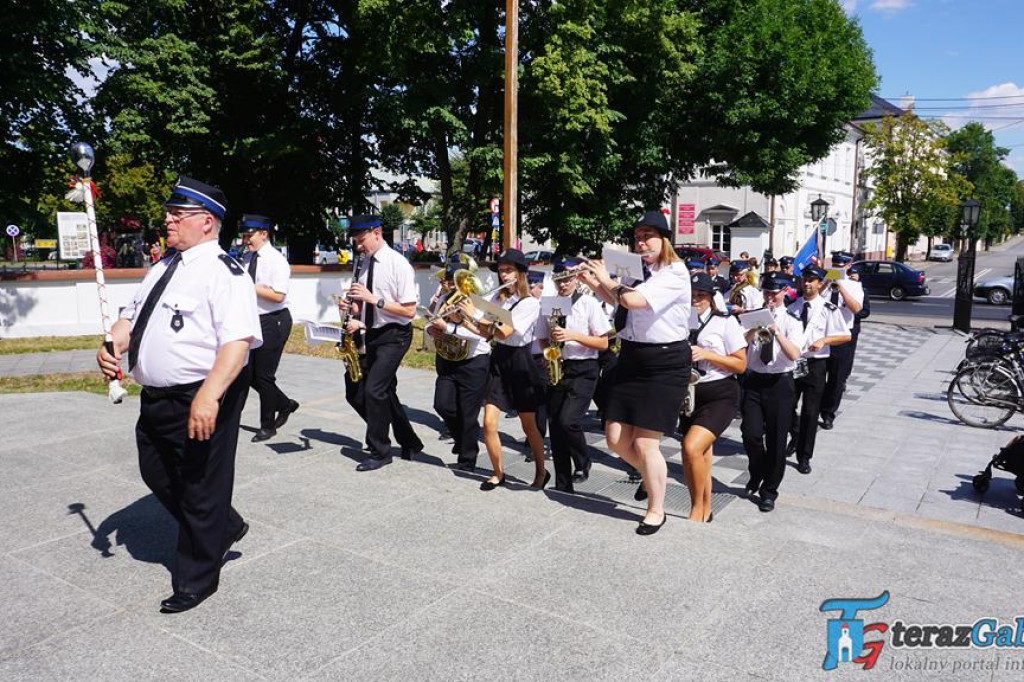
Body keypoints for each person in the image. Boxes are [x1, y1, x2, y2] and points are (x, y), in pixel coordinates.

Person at [96, 176, 261, 613]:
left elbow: (237, 343)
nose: (166, 220)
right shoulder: (162, 267)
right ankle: (223, 525)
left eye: (177, 214)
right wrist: (112, 345)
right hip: (157, 395)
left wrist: (208, 397)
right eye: (169, 212)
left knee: (201, 482)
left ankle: (196, 576)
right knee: (155, 469)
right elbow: (132, 319)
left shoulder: (226, 274)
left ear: (206, 222)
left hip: (204, 390)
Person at [578, 210, 691, 535]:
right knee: (614, 439)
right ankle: (651, 476)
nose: (641, 243)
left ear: (664, 239)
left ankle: (656, 509)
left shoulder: (674, 272)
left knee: (644, 443)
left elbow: (635, 301)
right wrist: (592, 283)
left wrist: (606, 280)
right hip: (632, 358)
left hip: (664, 363)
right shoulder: (640, 271)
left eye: (648, 236)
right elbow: (620, 304)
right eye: (637, 237)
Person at [339, 214, 424, 471]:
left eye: (361, 239)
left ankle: (380, 451)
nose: (358, 246)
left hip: (395, 335)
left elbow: (409, 311)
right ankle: (409, 441)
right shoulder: (362, 263)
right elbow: (361, 303)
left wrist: (374, 299)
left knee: (375, 389)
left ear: (377, 232)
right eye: (355, 241)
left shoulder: (398, 264)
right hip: (370, 332)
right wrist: (350, 306)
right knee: (357, 391)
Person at [458, 249, 548, 490]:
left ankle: (541, 471)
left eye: (509, 270)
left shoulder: (529, 303)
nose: (504, 274)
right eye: (501, 270)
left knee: (529, 426)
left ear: (520, 274)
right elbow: (489, 334)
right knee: (488, 423)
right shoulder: (498, 299)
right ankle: (498, 473)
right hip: (499, 359)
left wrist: (476, 316)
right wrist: (465, 320)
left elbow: (505, 331)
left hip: (520, 363)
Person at [536, 257, 611, 493]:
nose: (564, 283)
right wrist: (550, 351)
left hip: (584, 368)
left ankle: (583, 460)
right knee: (555, 425)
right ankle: (563, 483)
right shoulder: (549, 304)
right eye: (560, 278)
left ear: (576, 278)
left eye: (568, 278)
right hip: (559, 366)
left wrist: (573, 336)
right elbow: (540, 337)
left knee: (569, 421)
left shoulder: (588, 303)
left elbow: (603, 342)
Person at [679, 271, 746, 522]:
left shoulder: (725, 322)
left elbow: (740, 365)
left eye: (701, 295)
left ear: (711, 297)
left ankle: (696, 508)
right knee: (696, 454)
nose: (696, 299)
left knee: (691, 447)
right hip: (688, 393)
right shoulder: (680, 321)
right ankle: (705, 508)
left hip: (720, 392)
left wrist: (707, 355)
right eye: (692, 295)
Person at [740, 272, 805, 512]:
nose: (770, 297)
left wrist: (776, 331)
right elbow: (740, 345)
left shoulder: (792, 320)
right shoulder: (753, 317)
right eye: (767, 292)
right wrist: (751, 331)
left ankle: (769, 490)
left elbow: (794, 354)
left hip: (780, 383)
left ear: (784, 292)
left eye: (774, 292)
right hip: (755, 381)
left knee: (777, 440)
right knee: (751, 434)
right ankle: (756, 472)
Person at [426, 261, 491, 472]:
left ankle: (467, 459)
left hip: (474, 362)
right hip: (449, 360)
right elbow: (431, 322)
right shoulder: (444, 299)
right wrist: (432, 331)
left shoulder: (479, 302)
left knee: (468, 413)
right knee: (442, 405)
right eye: (447, 280)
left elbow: (480, 335)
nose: (447, 285)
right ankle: (462, 440)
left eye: (452, 281)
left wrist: (450, 327)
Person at [786, 265, 851, 474]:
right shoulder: (793, 308)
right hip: (795, 363)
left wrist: (824, 340)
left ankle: (804, 456)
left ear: (819, 283)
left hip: (816, 364)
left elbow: (845, 335)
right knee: (787, 408)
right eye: (804, 280)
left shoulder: (828, 308)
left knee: (811, 411)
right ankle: (796, 434)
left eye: (812, 280)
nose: (807, 284)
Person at [241, 214, 299, 442]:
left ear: (264, 234)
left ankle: (267, 426)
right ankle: (285, 404)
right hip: (252, 319)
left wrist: (251, 287)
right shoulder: (247, 257)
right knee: (249, 375)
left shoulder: (276, 261)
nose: (246, 240)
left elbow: (278, 295)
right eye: (244, 235)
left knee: (264, 376)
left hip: (274, 320)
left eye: (250, 235)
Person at [818, 251, 865, 430]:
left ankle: (829, 413)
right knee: (818, 376)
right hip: (823, 334)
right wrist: (826, 283)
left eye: (840, 266)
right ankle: (816, 406)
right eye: (835, 266)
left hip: (843, 335)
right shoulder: (825, 283)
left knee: (836, 379)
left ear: (848, 266)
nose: (837, 269)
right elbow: (814, 298)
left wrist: (842, 288)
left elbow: (856, 309)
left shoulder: (854, 286)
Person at [527, 270, 548, 456]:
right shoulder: (526, 304)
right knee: (528, 400)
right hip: (525, 356)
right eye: (533, 287)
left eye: (539, 287)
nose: (535, 291)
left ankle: (539, 440)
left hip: (541, 357)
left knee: (540, 402)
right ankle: (531, 436)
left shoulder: (545, 307)